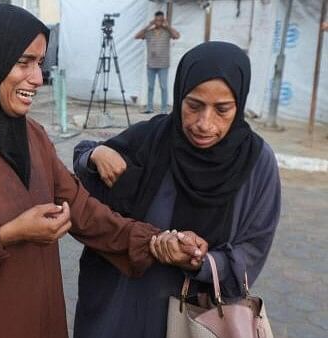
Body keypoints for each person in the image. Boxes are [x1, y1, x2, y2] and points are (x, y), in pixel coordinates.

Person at [0, 4, 207, 338]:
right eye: (23, 62)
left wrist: (157, 240)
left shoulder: (32, 136)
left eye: (40, 63)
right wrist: (8, 234)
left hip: (43, 316)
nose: (38, 78)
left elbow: (85, 212)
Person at [72, 41, 281, 338]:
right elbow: (84, 159)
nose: (204, 123)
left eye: (222, 110)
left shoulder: (256, 163)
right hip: (122, 304)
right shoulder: (153, 137)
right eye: (193, 105)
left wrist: (201, 261)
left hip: (197, 318)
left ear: (240, 104)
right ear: (180, 95)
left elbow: (253, 249)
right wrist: (95, 155)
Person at [135, 11, 179, 114]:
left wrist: (168, 26)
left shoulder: (167, 32)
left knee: (163, 87)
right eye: (157, 20)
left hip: (163, 64)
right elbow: (137, 36)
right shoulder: (149, 32)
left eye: (160, 20)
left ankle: (164, 109)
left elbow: (177, 36)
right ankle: (149, 108)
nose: (158, 22)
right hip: (151, 64)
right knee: (150, 87)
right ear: (154, 20)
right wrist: (148, 25)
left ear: (163, 20)